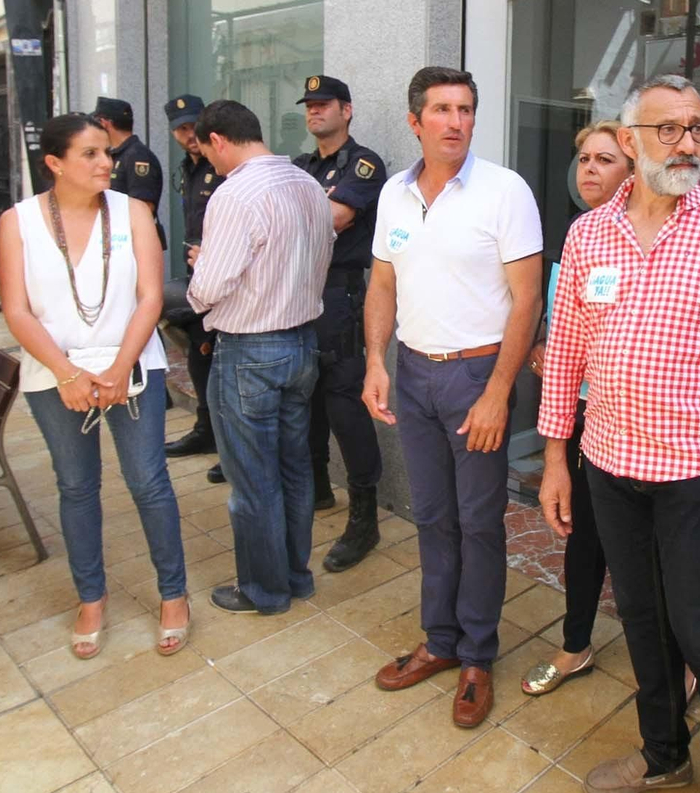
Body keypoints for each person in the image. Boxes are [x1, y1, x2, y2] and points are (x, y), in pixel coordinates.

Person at [538, 74, 700, 793]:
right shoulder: (589, 234)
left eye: (697, 128)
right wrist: (554, 459)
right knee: (642, 622)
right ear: (629, 139)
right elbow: (567, 355)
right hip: (610, 466)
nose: (688, 143)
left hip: (698, 475)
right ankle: (663, 755)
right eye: (669, 129)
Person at [364, 66, 542, 729]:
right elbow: (383, 284)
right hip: (413, 373)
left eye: (465, 109)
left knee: (478, 521)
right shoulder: (394, 193)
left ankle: (476, 654)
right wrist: (375, 361)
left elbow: (528, 299)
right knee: (433, 516)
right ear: (416, 121)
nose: (456, 121)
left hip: (476, 377)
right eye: (441, 109)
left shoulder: (505, 191)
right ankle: (439, 640)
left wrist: (498, 392)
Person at [0, 113, 188, 660]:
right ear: (54, 163)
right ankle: (91, 597)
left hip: (132, 368)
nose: (107, 162)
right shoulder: (18, 222)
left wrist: (122, 367)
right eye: (90, 154)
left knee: (148, 482)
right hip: (54, 375)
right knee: (77, 487)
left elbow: (150, 297)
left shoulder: (133, 212)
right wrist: (67, 373)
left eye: (108, 152)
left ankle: (173, 594)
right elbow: (16, 309)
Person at [187, 100, 334, 616]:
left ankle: (264, 590)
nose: (209, 163)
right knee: (295, 468)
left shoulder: (235, 193)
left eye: (207, 152)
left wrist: (201, 270)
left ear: (218, 140)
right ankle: (296, 576)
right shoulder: (308, 184)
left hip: (251, 348)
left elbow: (209, 288)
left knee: (253, 479)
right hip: (302, 341)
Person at [521, 120, 632, 696]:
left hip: (638, 421)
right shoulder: (578, 236)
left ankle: (678, 661)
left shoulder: (651, 244)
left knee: (654, 552)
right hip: (583, 415)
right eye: (584, 159)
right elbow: (564, 322)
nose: (589, 169)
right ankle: (575, 644)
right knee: (584, 538)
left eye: (605, 160)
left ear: (633, 170)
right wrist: (545, 345)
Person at [290, 74, 388, 571]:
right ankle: (318, 489)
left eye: (324, 104)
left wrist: (293, 214)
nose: (315, 111)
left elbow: (334, 218)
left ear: (346, 110)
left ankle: (365, 518)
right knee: (306, 396)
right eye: (310, 104)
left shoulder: (363, 163)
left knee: (345, 405)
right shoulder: (301, 166)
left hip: (340, 294)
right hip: (300, 290)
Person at [158, 94, 222, 476]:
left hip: (224, 278)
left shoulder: (222, 164)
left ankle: (229, 445)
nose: (189, 134)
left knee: (220, 365)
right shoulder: (187, 168)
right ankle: (206, 430)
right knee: (199, 359)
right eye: (180, 129)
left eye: (193, 125)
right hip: (197, 277)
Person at [94, 96, 166, 246]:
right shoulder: (117, 155)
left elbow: (144, 207)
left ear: (104, 123)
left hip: (133, 242)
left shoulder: (138, 156)